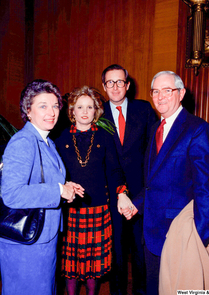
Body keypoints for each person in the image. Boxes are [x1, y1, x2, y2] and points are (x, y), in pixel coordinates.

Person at [125, 71, 209, 295]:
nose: (160, 96)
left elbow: (206, 188)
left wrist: (200, 237)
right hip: (151, 231)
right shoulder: (157, 127)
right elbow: (153, 181)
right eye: (155, 91)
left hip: (180, 232)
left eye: (167, 90)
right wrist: (136, 203)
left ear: (181, 93)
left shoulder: (197, 129)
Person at [0, 79, 84, 295]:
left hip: (42, 235)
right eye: (43, 106)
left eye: (55, 105)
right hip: (26, 243)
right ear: (28, 110)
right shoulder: (23, 141)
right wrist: (57, 190)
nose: (52, 112)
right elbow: (11, 194)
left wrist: (65, 187)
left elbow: (41, 179)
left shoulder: (46, 140)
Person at [55, 85, 134, 295]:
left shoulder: (105, 136)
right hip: (70, 210)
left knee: (93, 268)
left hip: (98, 209)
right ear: (72, 111)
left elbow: (115, 169)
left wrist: (122, 192)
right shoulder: (60, 138)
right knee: (71, 265)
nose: (84, 111)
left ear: (96, 111)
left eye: (89, 107)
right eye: (79, 107)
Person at [101, 64, 158, 295]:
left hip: (140, 192)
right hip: (109, 193)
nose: (115, 87)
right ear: (104, 86)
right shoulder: (96, 112)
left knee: (140, 250)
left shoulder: (143, 109)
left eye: (120, 82)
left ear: (128, 84)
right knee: (116, 251)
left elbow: (154, 149)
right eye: (110, 82)